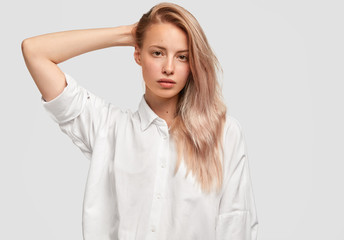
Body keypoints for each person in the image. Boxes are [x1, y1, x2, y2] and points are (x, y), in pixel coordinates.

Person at [21, 2, 258, 239]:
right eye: (157, 52)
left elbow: (237, 222)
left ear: (193, 64)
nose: (168, 68)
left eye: (182, 57)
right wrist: (128, 33)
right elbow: (35, 51)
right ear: (138, 54)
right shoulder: (108, 128)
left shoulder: (224, 134)